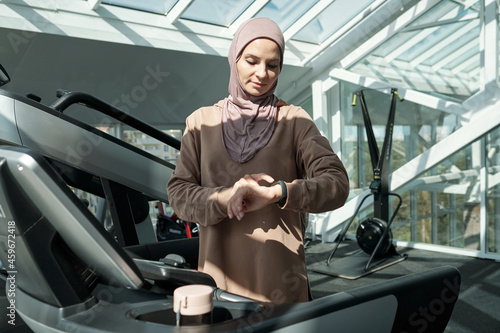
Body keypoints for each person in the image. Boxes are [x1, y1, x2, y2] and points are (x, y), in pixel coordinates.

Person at [167, 17, 349, 303]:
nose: (262, 73)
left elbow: (336, 184)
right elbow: (179, 195)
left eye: (272, 65)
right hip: (218, 283)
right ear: (235, 58)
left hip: (280, 282)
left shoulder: (294, 120)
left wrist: (279, 192)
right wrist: (226, 198)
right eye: (251, 61)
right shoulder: (201, 122)